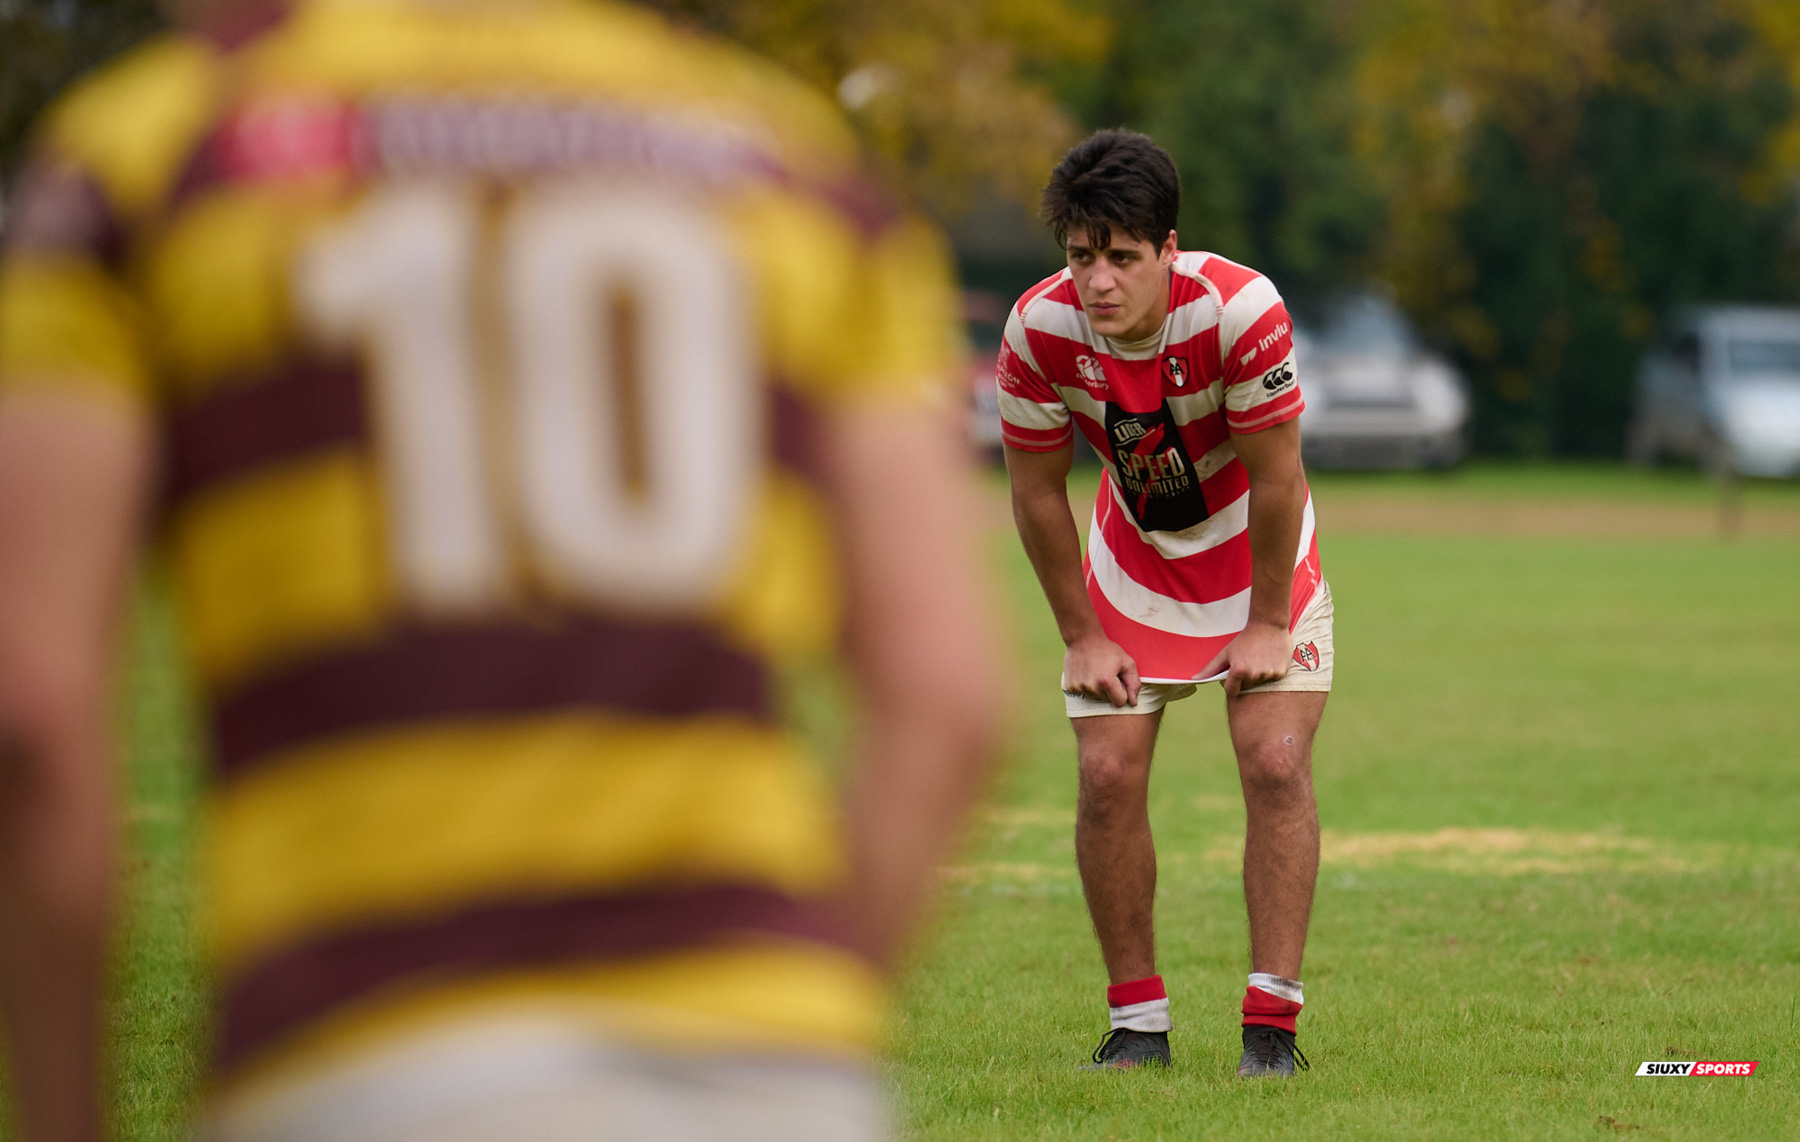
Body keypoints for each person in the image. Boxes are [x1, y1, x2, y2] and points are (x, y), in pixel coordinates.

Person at [0, 1, 999, 1138]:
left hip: (362, 1051)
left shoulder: (159, 149)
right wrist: (790, 1020)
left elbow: (31, 714)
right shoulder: (801, 167)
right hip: (774, 1079)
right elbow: (947, 701)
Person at [998, 129, 1329, 1077]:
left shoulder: (1240, 309)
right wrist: (1080, 635)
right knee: (1106, 774)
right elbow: (1032, 492)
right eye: (1080, 256)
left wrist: (1269, 622)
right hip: (1133, 560)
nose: (1099, 281)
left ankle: (1272, 1029)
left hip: (1258, 556)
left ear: (1167, 248)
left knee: (1273, 759)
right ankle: (1137, 1029)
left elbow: (1280, 478)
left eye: (1122, 257)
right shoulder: (1038, 328)